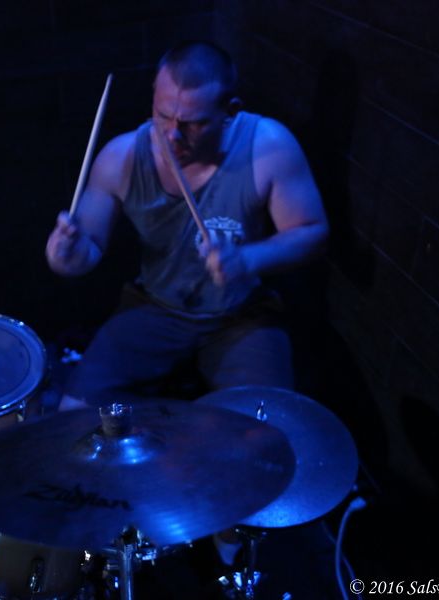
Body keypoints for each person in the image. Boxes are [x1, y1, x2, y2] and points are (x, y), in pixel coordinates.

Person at [46, 41, 328, 410]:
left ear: (230, 111)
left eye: (192, 124)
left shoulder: (268, 146)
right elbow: (89, 247)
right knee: (74, 409)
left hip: (241, 314)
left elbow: (312, 232)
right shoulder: (121, 157)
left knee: (270, 425)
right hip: (154, 305)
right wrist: (66, 257)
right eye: (163, 115)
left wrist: (247, 259)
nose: (172, 135)